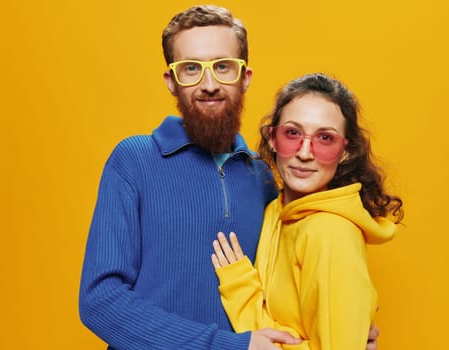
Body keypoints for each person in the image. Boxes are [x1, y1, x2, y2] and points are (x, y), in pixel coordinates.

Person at [79, 5, 379, 350]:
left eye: (223, 67)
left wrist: (346, 330)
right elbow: (100, 302)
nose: (209, 84)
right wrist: (225, 345)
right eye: (191, 68)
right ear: (171, 82)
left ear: (245, 77)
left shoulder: (266, 180)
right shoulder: (134, 160)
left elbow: (283, 300)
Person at [212, 73, 404, 349]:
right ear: (273, 138)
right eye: (293, 133)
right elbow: (276, 336)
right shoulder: (274, 212)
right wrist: (242, 288)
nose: (305, 152)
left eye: (325, 138)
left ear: (345, 151)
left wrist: (240, 290)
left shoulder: (332, 233)